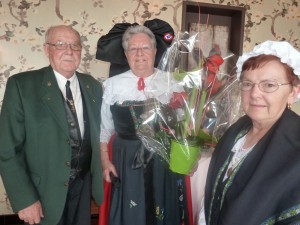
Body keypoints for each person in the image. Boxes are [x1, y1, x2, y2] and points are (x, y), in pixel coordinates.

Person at [0, 25, 104, 225]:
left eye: (75, 45)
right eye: (60, 44)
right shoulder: (22, 85)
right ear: (47, 49)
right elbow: (7, 149)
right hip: (42, 193)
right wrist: (24, 199)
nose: (69, 51)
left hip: (83, 189)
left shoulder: (92, 85)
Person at [100, 24, 190, 225]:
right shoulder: (112, 85)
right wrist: (106, 162)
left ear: (155, 51)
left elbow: (185, 126)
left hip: (162, 158)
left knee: (163, 207)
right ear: (126, 54)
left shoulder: (172, 83)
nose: (139, 53)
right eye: (133, 48)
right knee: (131, 210)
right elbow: (104, 130)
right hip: (126, 159)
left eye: (145, 47)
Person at [204, 40, 300, 225]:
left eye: (269, 85)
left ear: (293, 92)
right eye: (247, 83)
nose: (254, 93)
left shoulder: (295, 147)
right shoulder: (237, 131)